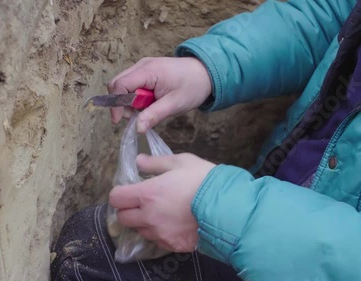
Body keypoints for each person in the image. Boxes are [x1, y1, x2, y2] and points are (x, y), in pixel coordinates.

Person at [51, 0, 361, 280]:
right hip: (268, 214)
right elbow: (331, 16)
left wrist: (223, 217)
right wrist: (210, 68)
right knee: (87, 251)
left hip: (289, 247)